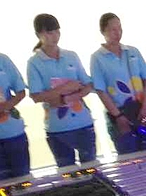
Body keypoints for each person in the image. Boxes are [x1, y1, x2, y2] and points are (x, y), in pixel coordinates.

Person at [26, 14, 97, 168]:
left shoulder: (71, 56)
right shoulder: (34, 62)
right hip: (57, 127)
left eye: (57, 31)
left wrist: (72, 96)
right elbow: (36, 96)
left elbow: (88, 84)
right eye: (49, 32)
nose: (55, 36)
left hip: (83, 123)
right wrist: (65, 89)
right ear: (39, 35)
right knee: (67, 172)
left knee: (92, 169)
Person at [90, 13, 146, 154]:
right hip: (119, 114)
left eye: (119, 28)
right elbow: (101, 90)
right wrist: (118, 116)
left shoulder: (132, 51)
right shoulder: (97, 58)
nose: (117, 32)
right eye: (113, 29)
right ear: (103, 31)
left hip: (142, 112)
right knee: (128, 156)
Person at [0, 53, 29, 179]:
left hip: (13, 134)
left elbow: (20, 91)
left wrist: (6, 106)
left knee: (23, 182)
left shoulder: (3, 59)